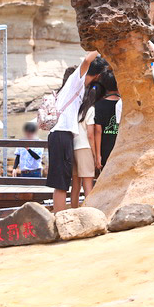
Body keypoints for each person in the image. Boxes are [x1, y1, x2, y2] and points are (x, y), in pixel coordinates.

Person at [46, 52, 105, 213]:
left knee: (63, 181)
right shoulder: (76, 81)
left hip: (62, 135)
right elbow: (86, 60)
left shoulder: (77, 87)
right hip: (61, 134)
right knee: (61, 183)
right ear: (98, 75)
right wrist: (99, 47)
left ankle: (60, 215)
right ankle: (60, 217)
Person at [71, 82, 102, 207]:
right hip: (85, 148)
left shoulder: (77, 110)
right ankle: (89, 213)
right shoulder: (91, 109)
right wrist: (95, 155)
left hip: (73, 147)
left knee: (75, 185)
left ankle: (73, 210)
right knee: (88, 184)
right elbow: (90, 134)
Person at [93, 69, 122, 168]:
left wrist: (98, 155)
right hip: (121, 148)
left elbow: (98, 130)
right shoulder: (124, 103)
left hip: (105, 149)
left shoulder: (98, 105)